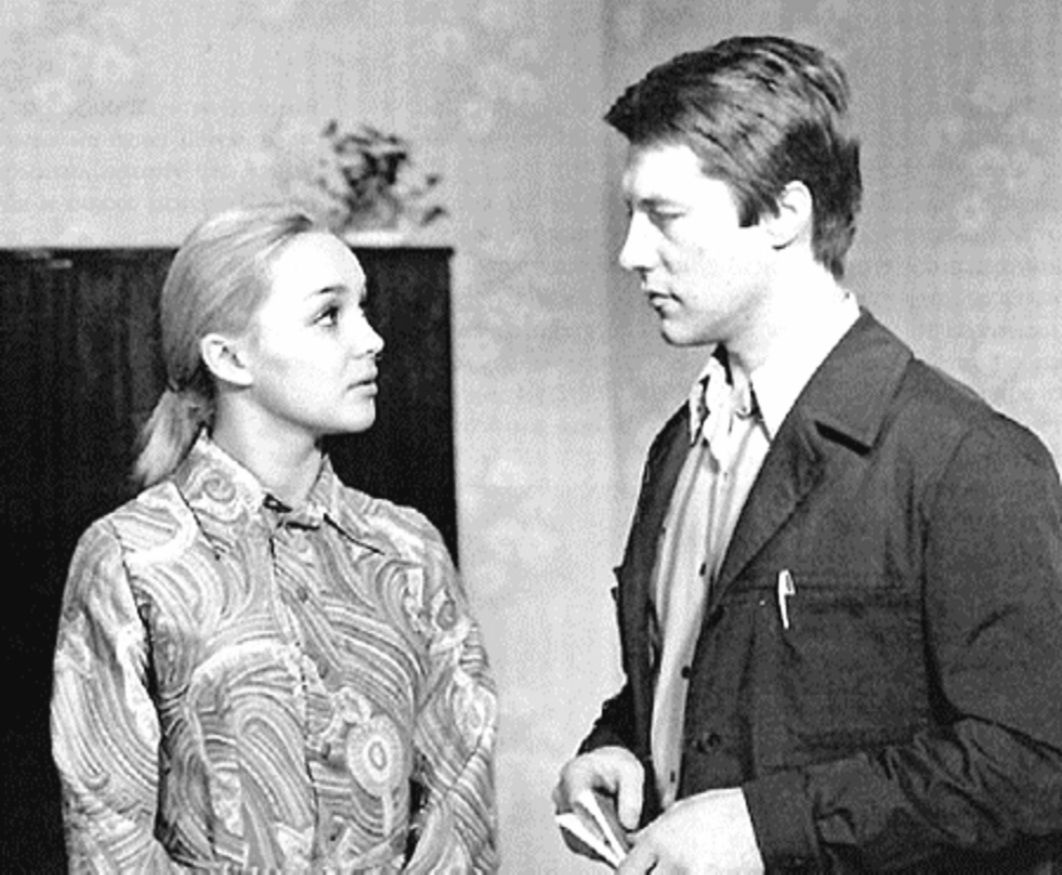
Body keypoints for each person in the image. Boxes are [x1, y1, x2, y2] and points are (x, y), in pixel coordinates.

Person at [553, 34, 1062, 873]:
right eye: (631, 216)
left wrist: (764, 827)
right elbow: (713, 680)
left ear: (785, 214)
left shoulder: (967, 459)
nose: (631, 252)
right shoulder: (678, 446)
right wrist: (617, 744)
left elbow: (1033, 762)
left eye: (664, 217)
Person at [50, 204, 498, 872]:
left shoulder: (408, 551)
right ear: (229, 357)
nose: (372, 339)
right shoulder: (130, 558)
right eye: (330, 315)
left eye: (364, 308)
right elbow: (107, 833)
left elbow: (461, 809)